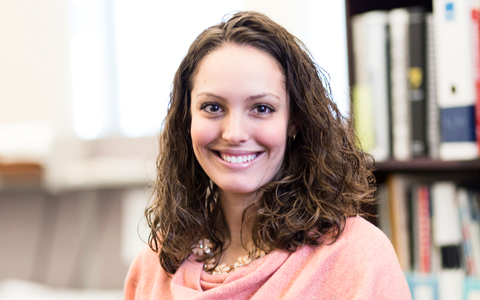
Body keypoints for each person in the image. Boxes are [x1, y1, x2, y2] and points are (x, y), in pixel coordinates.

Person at [124, 11, 411, 299]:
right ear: (187, 119)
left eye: (261, 108)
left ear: (294, 120)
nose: (234, 133)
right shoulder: (155, 264)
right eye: (212, 107)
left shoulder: (357, 256)